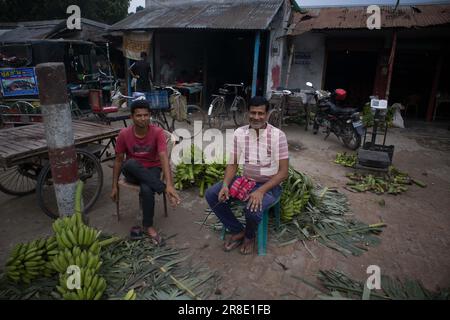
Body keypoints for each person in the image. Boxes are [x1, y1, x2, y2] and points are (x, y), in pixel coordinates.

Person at [205, 96, 289, 255]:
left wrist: (261, 191)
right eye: (253, 113)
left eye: (260, 113)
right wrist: (224, 184)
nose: (256, 117)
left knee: (252, 209)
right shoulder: (240, 133)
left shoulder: (278, 136)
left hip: (269, 185)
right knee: (212, 194)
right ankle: (238, 230)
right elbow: (233, 163)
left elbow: (283, 172)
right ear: (247, 113)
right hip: (245, 181)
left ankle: (249, 237)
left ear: (267, 114)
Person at [111, 99, 181, 245]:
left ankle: (147, 226)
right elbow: (118, 160)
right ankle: (162, 189)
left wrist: (170, 183)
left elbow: (163, 157)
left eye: (145, 115)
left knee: (147, 189)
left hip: (152, 169)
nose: (142, 118)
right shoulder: (124, 134)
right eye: (138, 115)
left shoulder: (157, 132)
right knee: (130, 163)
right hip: (132, 171)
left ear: (149, 115)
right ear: (131, 117)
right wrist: (114, 185)